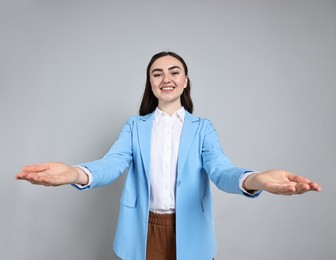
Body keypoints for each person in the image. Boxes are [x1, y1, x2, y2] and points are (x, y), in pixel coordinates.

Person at [16, 51, 321, 260]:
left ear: (185, 80)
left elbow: (220, 171)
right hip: (142, 229)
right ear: (150, 83)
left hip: (190, 229)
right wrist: (74, 173)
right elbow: (112, 164)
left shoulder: (203, 128)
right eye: (157, 73)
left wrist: (256, 180)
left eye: (174, 72)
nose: (166, 78)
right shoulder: (135, 126)